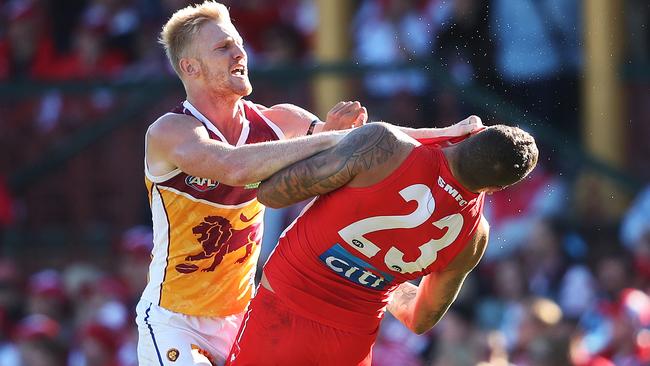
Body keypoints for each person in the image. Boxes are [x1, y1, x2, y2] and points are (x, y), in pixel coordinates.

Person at [137, 1, 482, 365]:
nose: (240, 52)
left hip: (241, 314)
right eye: (223, 48)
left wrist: (444, 135)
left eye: (238, 43)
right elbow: (233, 167)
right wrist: (332, 139)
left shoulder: (280, 120)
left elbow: (378, 146)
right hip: (175, 318)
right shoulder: (170, 130)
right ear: (190, 67)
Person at [227, 122, 539, 365]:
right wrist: (380, 281)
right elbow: (420, 319)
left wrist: (342, 136)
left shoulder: (386, 146)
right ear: (496, 189)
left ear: (474, 132)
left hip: (281, 311)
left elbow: (273, 193)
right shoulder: (475, 236)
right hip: (349, 345)